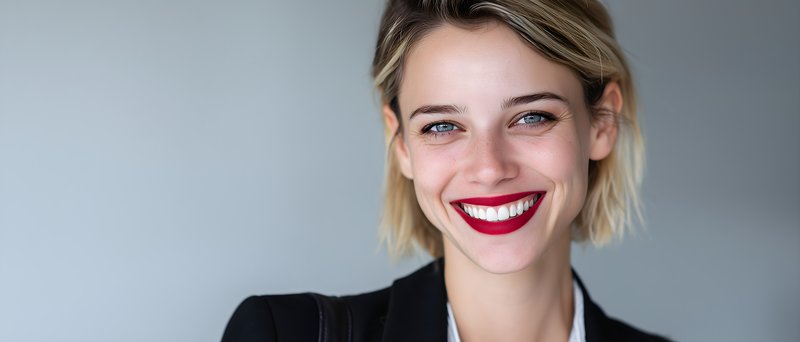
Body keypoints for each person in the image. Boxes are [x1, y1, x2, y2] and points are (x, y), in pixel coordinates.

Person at [222, 0, 671, 341]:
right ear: (400, 143)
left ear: (603, 122)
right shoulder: (282, 334)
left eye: (532, 117)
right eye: (442, 126)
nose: (490, 168)